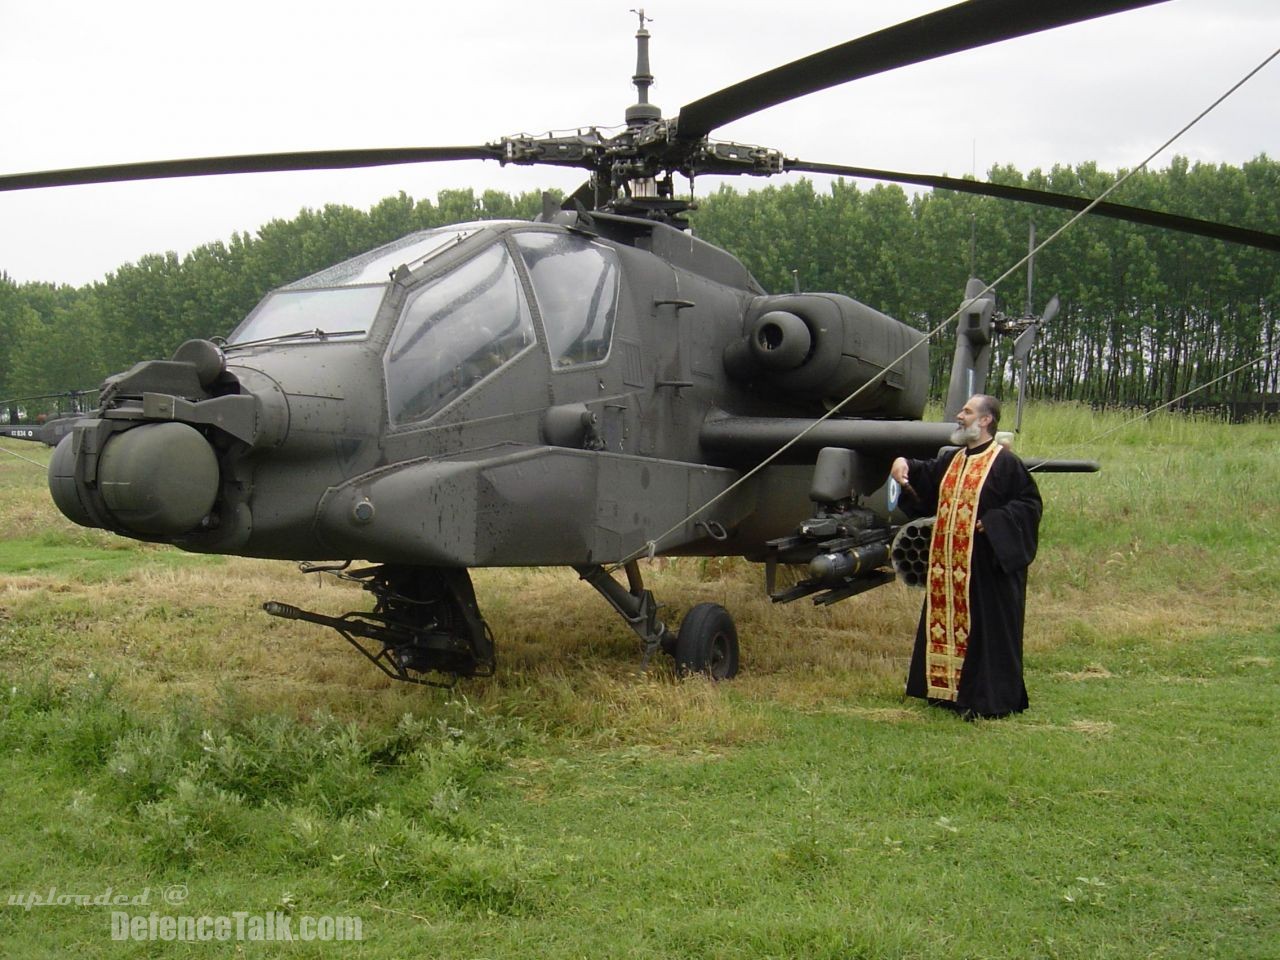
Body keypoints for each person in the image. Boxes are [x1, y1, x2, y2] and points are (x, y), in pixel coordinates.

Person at [889, 394, 1042, 719]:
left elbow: (1029, 505)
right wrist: (903, 463)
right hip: (948, 569)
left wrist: (995, 522)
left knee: (985, 631)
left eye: (967, 412)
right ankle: (946, 691)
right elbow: (924, 477)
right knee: (945, 624)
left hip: (987, 568)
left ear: (985, 421)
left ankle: (987, 700)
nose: (960, 416)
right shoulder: (954, 459)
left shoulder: (1005, 463)